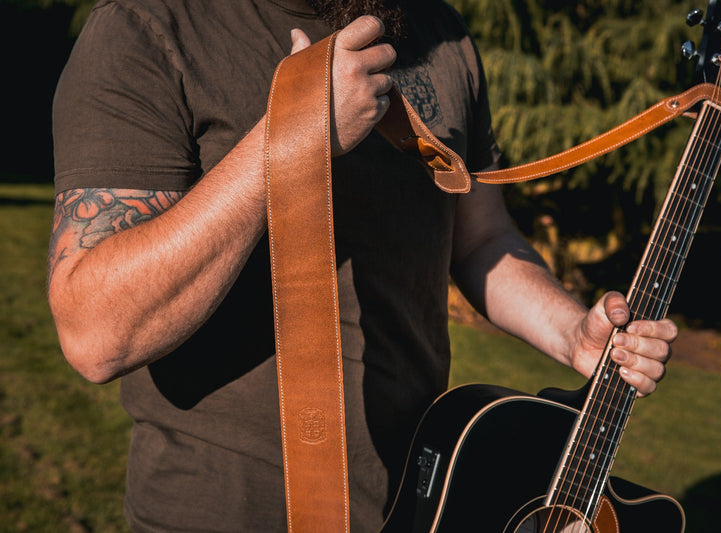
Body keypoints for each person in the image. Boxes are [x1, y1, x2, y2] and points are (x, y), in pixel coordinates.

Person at [48, 0, 677, 531]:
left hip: (425, 501)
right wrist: (291, 139)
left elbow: (480, 239)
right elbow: (95, 332)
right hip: (222, 509)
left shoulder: (441, 34)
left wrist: (574, 334)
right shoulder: (150, 26)